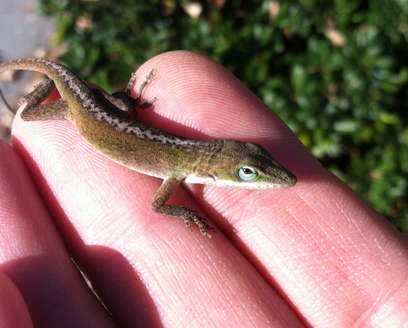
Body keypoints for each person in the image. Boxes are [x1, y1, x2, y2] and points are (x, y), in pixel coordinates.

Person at [1, 51, 407, 327]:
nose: (273, 179)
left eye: (250, 168)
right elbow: (160, 207)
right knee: (33, 116)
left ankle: (57, 82)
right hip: (80, 112)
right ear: (218, 171)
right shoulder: (178, 168)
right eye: (248, 172)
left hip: (96, 111)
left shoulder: (186, 156)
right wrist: (188, 212)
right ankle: (40, 88)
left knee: (121, 108)